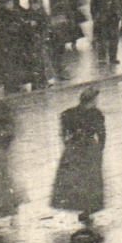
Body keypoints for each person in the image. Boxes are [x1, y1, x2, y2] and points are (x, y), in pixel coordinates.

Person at [52, 87, 107, 215]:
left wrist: (68, 146)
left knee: (74, 179)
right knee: (90, 180)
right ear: (92, 101)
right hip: (89, 149)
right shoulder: (96, 114)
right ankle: (88, 208)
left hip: (73, 148)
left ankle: (77, 206)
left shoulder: (68, 113)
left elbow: (63, 134)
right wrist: (99, 149)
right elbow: (102, 134)